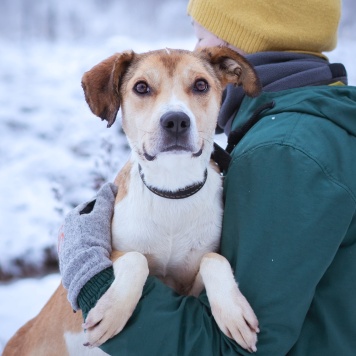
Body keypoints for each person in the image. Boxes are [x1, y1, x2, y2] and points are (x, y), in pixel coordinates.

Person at [59, 0, 356, 354]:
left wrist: (92, 279)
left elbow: (233, 349)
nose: (196, 48)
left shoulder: (285, 150)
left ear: (236, 52)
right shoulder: (309, 117)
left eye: (201, 37)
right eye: (143, 89)